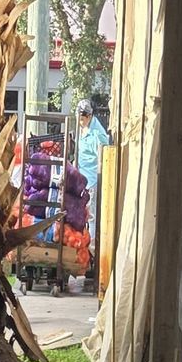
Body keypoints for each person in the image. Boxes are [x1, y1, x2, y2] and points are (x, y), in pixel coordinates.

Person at [76, 99, 111, 274]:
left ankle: (93, 257)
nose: (81, 121)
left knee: (91, 218)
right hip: (82, 179)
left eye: (83, 118)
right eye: (79, 118)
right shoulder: (82, 130)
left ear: (89, 116)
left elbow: (104, 158)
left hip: (92, 181)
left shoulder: (98, 134)